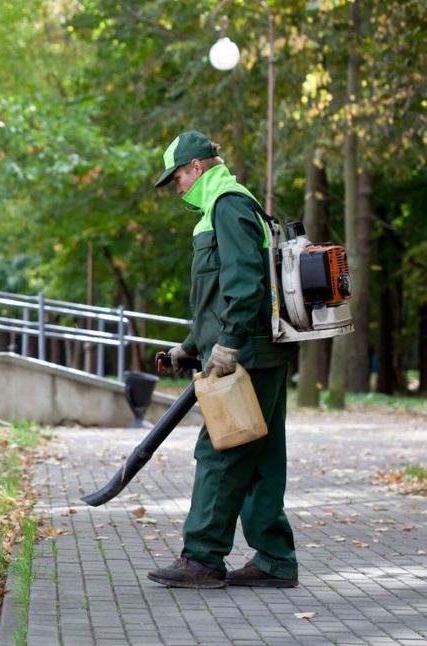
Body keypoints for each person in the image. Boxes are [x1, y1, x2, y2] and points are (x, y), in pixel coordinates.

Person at [147, 130, 299, 589]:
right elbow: (215, 298)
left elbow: (245, 281)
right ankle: (275, 560)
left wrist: (228, 345)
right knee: (262, 457)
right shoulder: (224, 206)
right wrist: (188, 348)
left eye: (176, 178)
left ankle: (202, 559)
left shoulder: (227, 205)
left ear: (195, 167)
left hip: (248, 352)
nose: (177, 189)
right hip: (258, 350)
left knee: (221, 451)